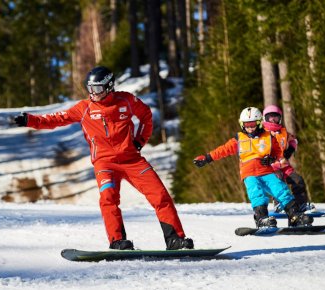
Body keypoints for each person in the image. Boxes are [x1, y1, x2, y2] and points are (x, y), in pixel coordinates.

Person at [14, 66, 193, 250]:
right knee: (108, 198)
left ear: (109, 86)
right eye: (89, 88)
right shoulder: (84, 108)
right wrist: (30, 120)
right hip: (105, 163)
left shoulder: (127, 100)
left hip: (132, 160)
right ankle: (117, 241)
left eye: (97, 89)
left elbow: (146, 115)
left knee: (160, 195)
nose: (93, 93)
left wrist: (139, 141)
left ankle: (175, 239)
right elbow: (56, 119)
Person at [192, 107, 313, 228]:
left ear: (259, 123)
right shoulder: (239, 138)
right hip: (249, 173)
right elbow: (223, 150)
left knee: (281, 190)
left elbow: (278, 152)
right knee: (257, 194)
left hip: (266, 171)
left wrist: (272, 158)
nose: (249, 127)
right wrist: (207, 158)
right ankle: (261, 218)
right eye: (246, 124)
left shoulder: (268, 137)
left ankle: (295, 216)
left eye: (252, 124)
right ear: (242, 124)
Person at [262, 105, 316, 213]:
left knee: (298, 180)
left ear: (280, 118)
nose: (273, 120)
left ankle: (301, 204)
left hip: (284, 165)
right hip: (270, 167)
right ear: (265, 118)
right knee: (278, 180)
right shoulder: (262, 133)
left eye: (276, 117)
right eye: (270, 117)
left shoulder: (283, 132)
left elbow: (293, 140)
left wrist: (290, 149)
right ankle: (279, 204)